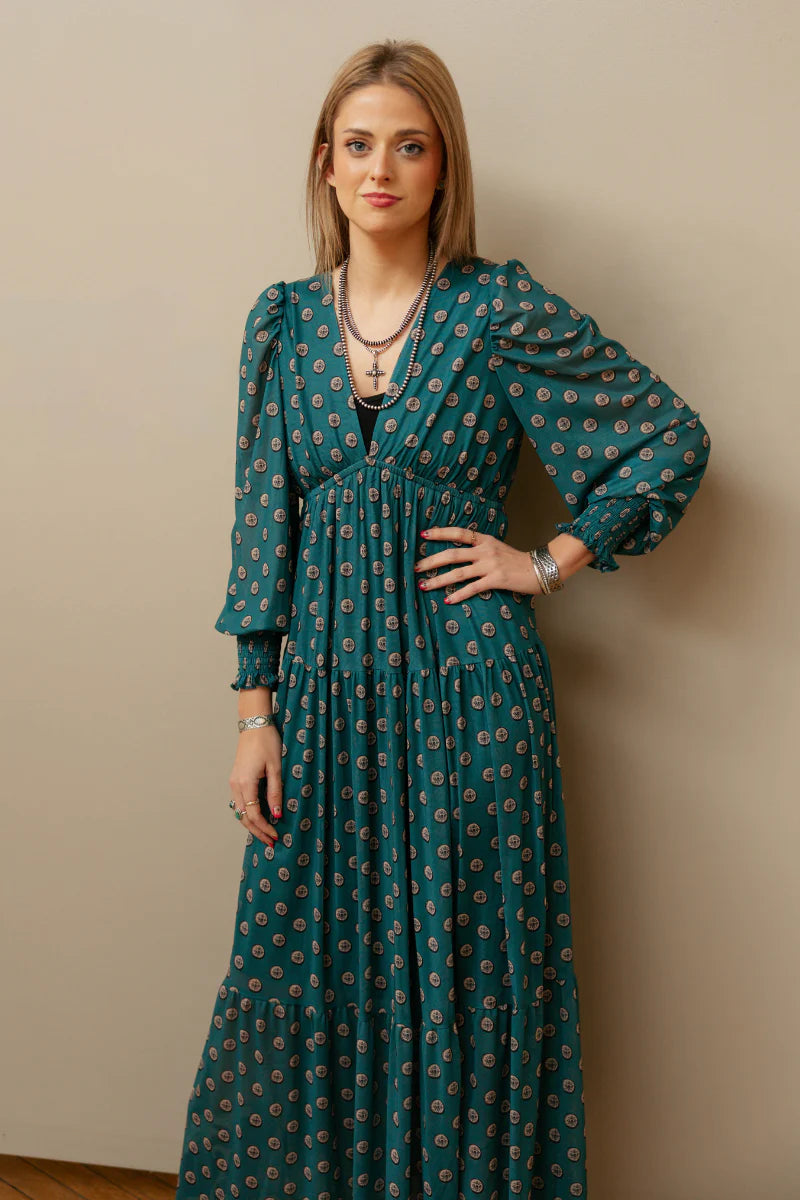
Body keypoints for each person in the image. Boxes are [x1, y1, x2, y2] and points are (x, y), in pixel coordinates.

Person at [174, 36, 711, 1200]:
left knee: (464, 977)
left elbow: (667, 439)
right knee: (295, 967)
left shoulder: (493, 310)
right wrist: (254, 715)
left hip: (468, 701)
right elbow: (261, 530)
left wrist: (546, 562)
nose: (381, 170)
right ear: (324, 164)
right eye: (359, 145)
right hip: (320, 700)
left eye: (409, 147)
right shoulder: (280, 325)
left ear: (442, 167)